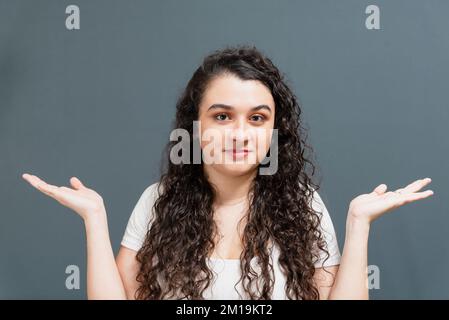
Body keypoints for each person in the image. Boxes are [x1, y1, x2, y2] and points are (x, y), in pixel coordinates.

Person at [22, 45, 434, 300]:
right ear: (196, 127)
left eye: (257, 118)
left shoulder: (302, 206)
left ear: (274, 132)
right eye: (222, 116)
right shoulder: (157, 201)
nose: (240, 133)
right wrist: (95, 220)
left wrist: (358, 224)